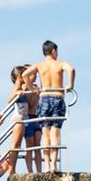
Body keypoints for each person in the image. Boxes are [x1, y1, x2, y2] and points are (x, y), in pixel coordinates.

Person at [26, 40, 76, 172]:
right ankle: (54, 164)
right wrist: (70, 85)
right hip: (58, 97)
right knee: (55, 134)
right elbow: (71, 69)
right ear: (54, 51)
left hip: (44, 98)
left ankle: (47, 165)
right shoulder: (60, 64)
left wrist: (31, 88)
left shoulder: (39, 65)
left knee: (45, 134)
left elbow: (25, 74)